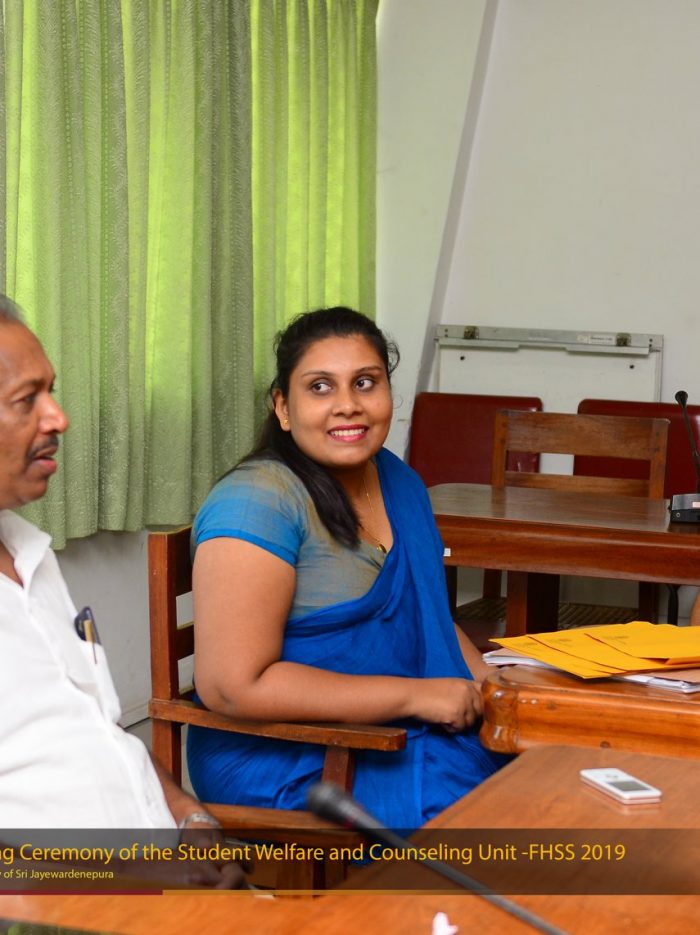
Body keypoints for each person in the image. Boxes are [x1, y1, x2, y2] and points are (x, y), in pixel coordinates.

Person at [187, 307, 509, 829]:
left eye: (365, 382)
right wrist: (418, 696)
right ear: (283, 407)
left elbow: (427, 615)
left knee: (554, 775)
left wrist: (494, 688)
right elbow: (232, 687)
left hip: (402, 731)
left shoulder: (399, 482)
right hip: (290, 754)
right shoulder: (257, 501)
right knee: (502, 826)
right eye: (320, 387)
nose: (348, 405)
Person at [0, 295, 244, 887]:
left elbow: (97, 730)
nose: (58, 418)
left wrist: (186, 817)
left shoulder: (30, 554)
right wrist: (133, 881)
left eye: (52, 392)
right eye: (26, 400)